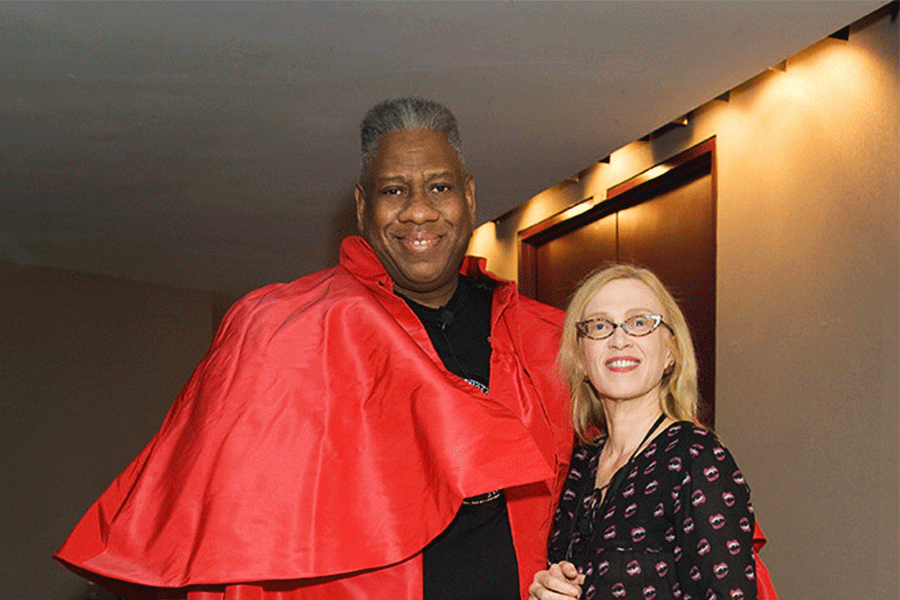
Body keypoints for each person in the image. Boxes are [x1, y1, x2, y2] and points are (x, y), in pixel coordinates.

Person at [55, 98, 572, 600]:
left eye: (439, 187)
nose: (419, 211)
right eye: (395, 191)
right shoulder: (283, 332)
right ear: (363, 206)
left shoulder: (546, 337)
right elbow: (211, 511)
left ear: (470, 196)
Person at [529, 264, 757, 600]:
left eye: (639, 323)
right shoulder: (580, 463)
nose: (619, 340)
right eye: (600, 326)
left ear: (670, 353)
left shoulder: (695, 458)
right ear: (581, 357)